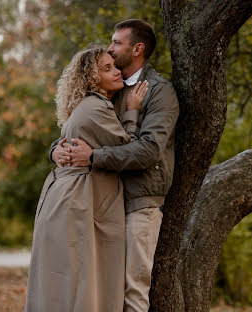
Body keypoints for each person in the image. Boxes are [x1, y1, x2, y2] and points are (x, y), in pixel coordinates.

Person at [51, 20, 180, 312]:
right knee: (103, 289)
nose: (110, 48)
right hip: (104, 204)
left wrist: (93, 157)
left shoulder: (160, 93)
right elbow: (80, 128)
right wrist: (55, 150)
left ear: (138, 49)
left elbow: (147, 151)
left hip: (139, 204)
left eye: (117, 43)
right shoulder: (112, 86)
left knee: (133, 292)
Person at [24, 47, 148, 312]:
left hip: (66, 200)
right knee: (80, 283)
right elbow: (132, 149)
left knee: (66, 284)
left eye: (115, 66)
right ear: (91, 79)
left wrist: (55, 149)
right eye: (107, 69)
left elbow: (73, 141)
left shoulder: (87, 107)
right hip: (76, 203)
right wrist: (133, 111)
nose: (117, 71)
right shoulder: (95, 107)